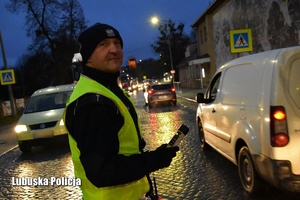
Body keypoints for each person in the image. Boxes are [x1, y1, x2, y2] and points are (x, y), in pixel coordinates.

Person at [63, 22, 179, 200]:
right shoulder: (92, 103)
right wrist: (154, 160)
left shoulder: (108, 90)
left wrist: (151, 158)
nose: (114, 49)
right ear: (88, 57)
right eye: (103, 44)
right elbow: (102, 171)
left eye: (117, 43)